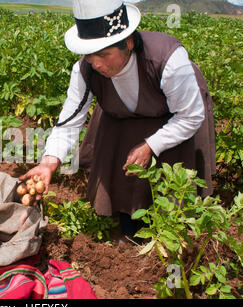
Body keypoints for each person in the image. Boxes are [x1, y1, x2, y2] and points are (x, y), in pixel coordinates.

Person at [19, 0, 215, 238]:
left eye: (104, 54)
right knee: (123, 169)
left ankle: (172, 240)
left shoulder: (168, 59)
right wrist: (49, 162)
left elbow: (190, 115)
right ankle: (128, 237)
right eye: (90, 55)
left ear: (129, 42)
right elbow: (69, 121)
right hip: (121, 114)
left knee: (172, 177)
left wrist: (151, 145)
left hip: (176, 113)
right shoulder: (85, 70)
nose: (97, 63)